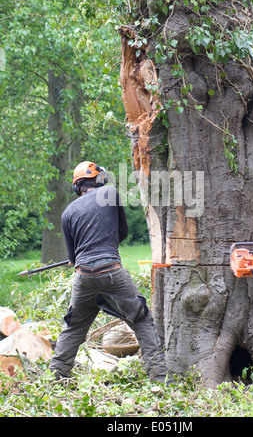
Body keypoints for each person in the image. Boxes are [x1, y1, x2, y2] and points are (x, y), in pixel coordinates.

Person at [50, 161, 169, 383]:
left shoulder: (67, 213)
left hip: (83, 277)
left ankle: (55, 376)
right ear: (98, 179)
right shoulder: (110, 193)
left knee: (74, 327)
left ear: (78, 187)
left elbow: (73, 258)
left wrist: (80, 257)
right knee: (141, 319)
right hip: (112, 272)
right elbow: (122, 232)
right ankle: (159, 379)